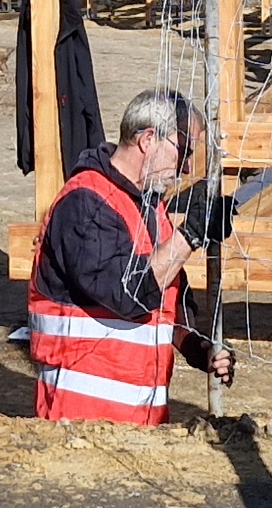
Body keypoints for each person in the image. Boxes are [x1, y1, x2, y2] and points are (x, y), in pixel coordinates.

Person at [27, 88, 235, 424]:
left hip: (140, 419)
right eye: (183, 151)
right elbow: (126, 294)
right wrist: (190, 236)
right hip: (81, 421)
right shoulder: (86, 204)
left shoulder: (149, 207)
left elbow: (167, 302)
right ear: (148, 139)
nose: (184, 169)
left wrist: (199, 348)